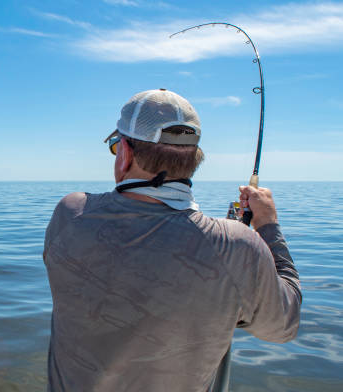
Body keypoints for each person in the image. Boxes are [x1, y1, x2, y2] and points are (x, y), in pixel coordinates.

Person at [42, 89, 302, 392]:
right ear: (194, 159)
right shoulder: (236, 247)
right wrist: (267, 227)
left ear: (125, 152)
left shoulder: (71, 214)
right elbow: (282, 326)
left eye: (116, 146)